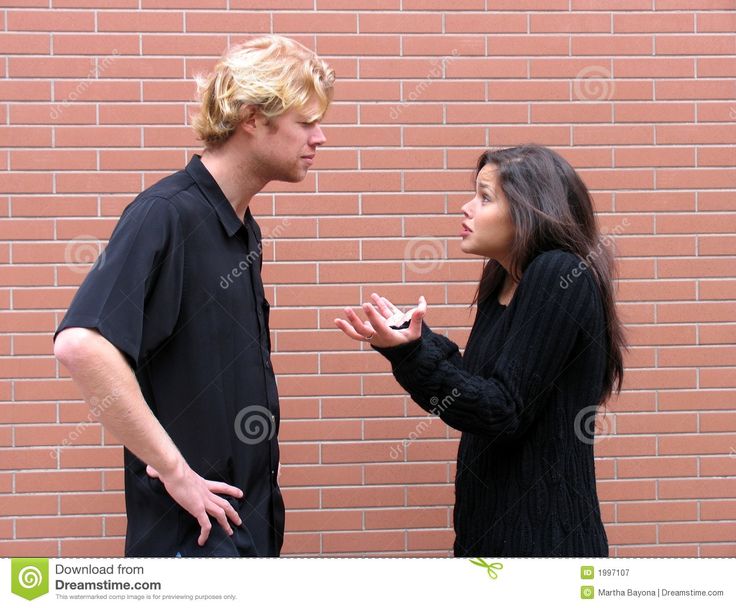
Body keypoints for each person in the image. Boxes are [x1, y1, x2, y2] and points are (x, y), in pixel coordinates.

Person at [53, 35, 334, 557]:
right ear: (252, 117)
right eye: (305, 122)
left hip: (243, 528)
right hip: (190, 541)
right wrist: (177, 473)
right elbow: (81, 345)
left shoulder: (241, 228)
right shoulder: (166, 214)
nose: (320, 137)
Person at [335, 144, 626, 557]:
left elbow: (501, 410)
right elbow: (477, 389)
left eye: (485, 197)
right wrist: (413, 342)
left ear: (529, 208)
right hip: (487, 537)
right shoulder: (504, 279)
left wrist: (413, 356)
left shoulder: (559, 273)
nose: (466, 208)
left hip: (543, 544)